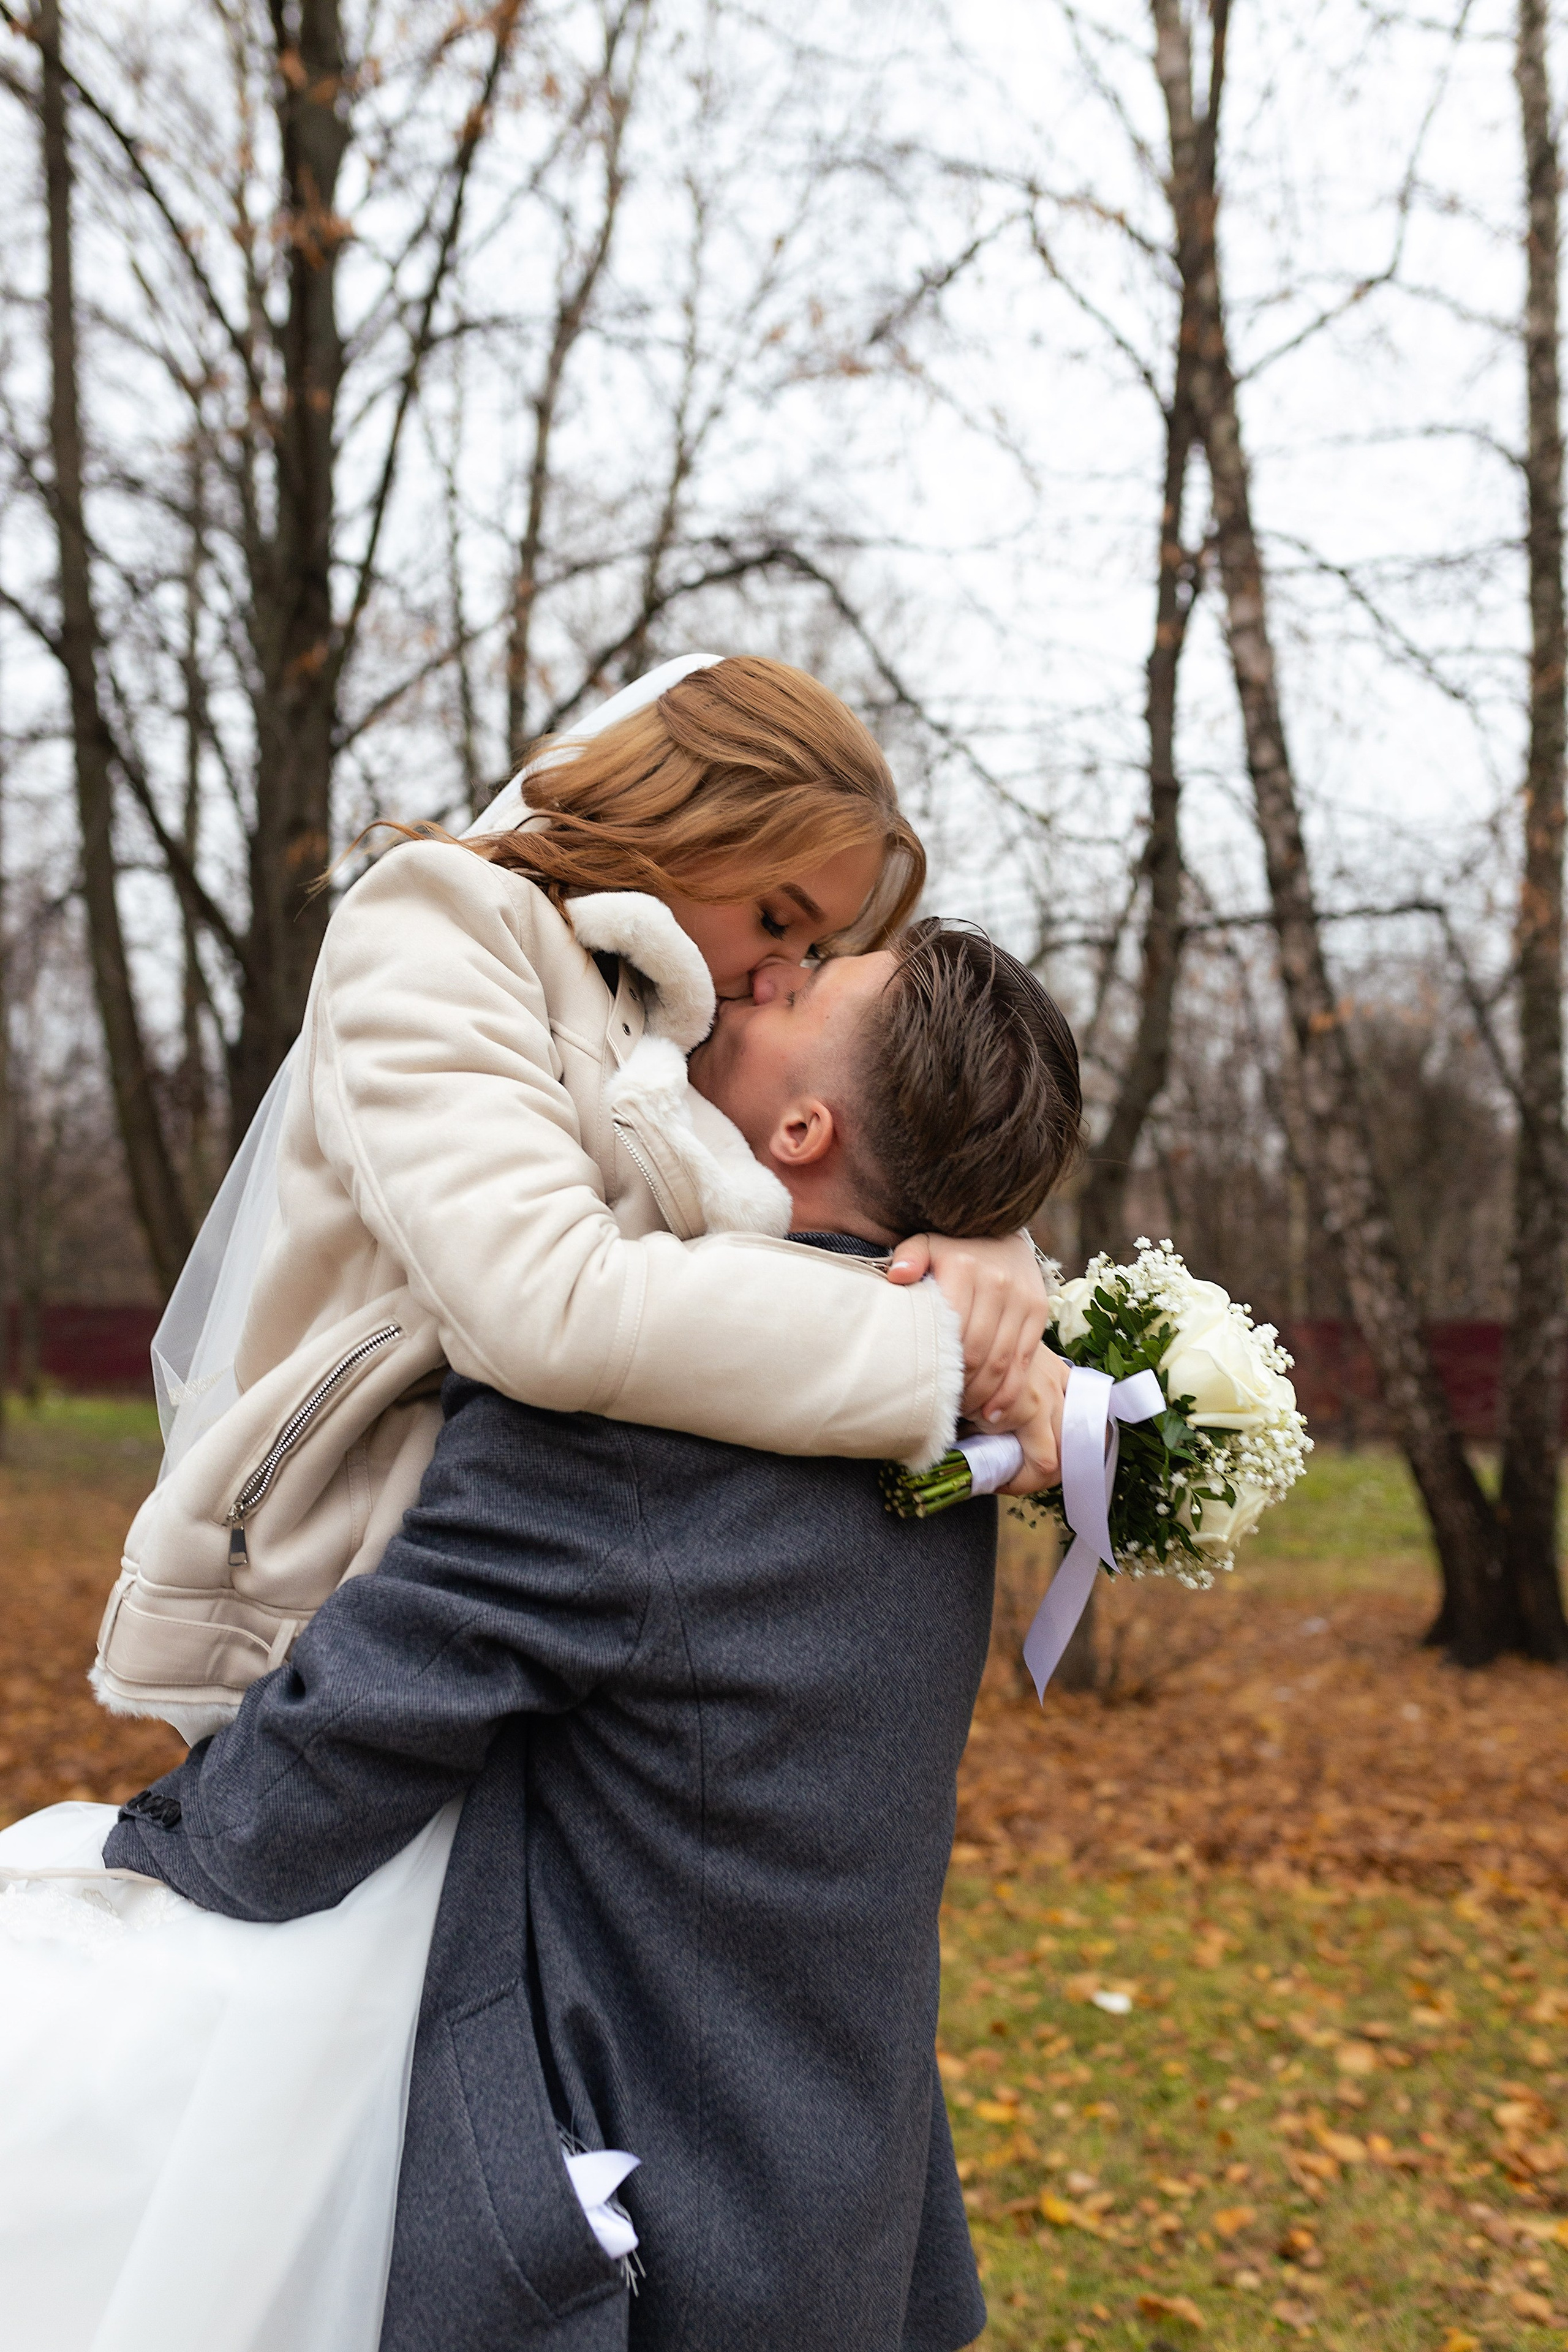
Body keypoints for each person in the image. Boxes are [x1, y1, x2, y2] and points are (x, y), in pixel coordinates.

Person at [100, 919, 1083, 2352]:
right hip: (839, 2223)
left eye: (802, 988)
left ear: (801, 1127)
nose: (760, 976)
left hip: (631, 2243)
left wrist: (151, 1858)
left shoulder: (633, 1428)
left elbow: (366, 1718)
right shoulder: (955, 1406)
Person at [92, 655, 1063, 1746]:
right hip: (362, 1616)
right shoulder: (441, 930)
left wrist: (989, 1247)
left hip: (569, 1642)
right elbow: (544, 1305)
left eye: (813, 947)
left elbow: (847, 1152)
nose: (777, 974)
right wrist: (933, 1345)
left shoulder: (679, 1003)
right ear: (696, 822)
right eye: (777, 917)